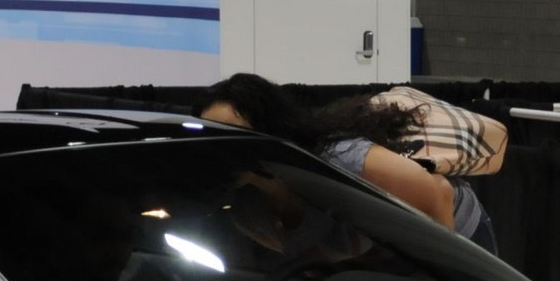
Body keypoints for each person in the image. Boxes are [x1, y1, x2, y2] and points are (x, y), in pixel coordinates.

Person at [195, 74, 499, 253]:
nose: (225, 149)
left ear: (270, 130)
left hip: (454, 235)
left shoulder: (338, 158)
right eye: (213, 138)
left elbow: (438, 193)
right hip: (383, 260)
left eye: (237, 136)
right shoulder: (245, 205)